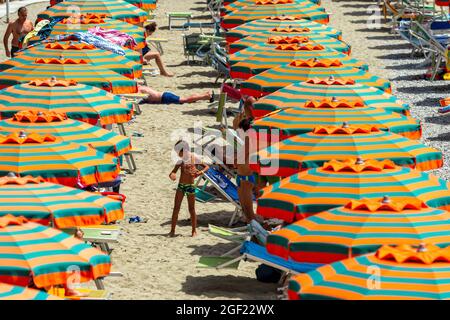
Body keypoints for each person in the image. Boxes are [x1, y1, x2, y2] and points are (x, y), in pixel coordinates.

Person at [169, 140, 209, 237]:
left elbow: (207, 167)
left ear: (185, 150)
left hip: (190, 186)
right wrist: (172, 175)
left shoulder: (193, 158)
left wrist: (199, 173)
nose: (178, 154)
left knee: (191, 209)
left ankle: (194, 230)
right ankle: (172, 230)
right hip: (181, 186)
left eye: (179, 152)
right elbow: (173, 172)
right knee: (176, 208)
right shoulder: (180, 161)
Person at [235, 118, 258, 223]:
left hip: (246, 178)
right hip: (242, 177)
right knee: (246, 210)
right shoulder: (247, 139)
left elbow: (242, 157)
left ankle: (255, 229)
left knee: (249, 212)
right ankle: (251, 226)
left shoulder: (249, 139)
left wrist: (234, 162)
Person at [138, 85, 214, 105]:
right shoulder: (140, 87)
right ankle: (204, 95)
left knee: (185, 100)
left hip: (165, 98)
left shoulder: (139, 90)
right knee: (185, 98)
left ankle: (206, 96)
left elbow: (137, 100)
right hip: (165, 95)